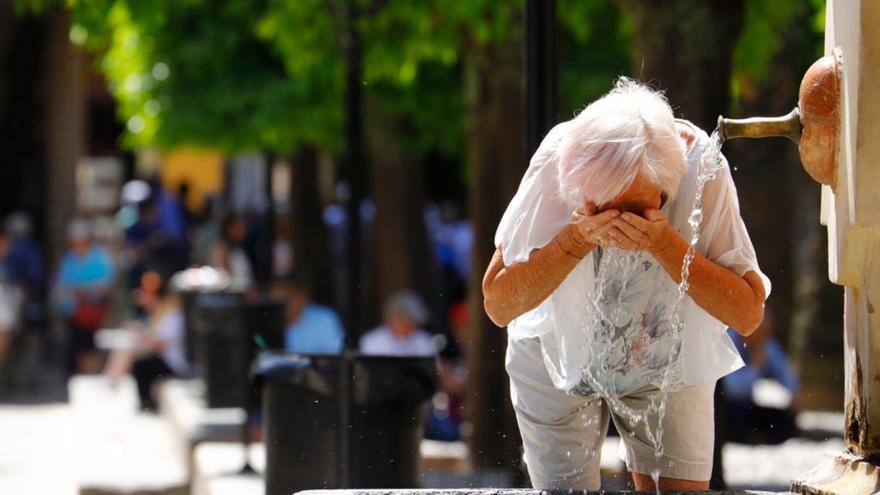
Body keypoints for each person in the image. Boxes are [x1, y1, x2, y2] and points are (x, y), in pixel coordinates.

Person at [482, 78, 770, 491]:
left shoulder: (702, 169)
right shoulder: (559, 159)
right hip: (556, 352)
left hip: (668, 351)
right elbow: (498, 303)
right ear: (578, 181)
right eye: (600, 206)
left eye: (634, 209)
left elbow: (747, 313)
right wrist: (576, 238)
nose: (617, 223)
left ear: (668, 188)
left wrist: (664, 244)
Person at [104, 271, 188, 411]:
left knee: (140, 363)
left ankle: (145, 402)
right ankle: (110, 381)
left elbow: (158, 344)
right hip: (164, 357)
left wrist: (139, 340)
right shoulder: (159, 311)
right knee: (129, 349)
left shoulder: (171, 313)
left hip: (174, 363)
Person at [723, 311, 801, 444]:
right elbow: (733, 389)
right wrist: (755, 367)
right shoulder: (728, 343)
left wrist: (794, 395)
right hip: (730, 407)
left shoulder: (765, 344)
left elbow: (785, 373)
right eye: (762, 332)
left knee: (785, 420)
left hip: (752, 405)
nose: (765, 337)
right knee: (738, 412)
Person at [54, 219, 116, 375]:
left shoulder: (100, 257)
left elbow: (106, 285)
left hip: (93, 313)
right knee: (74, 346)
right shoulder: (70, 258)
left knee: (89, 348)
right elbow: (61, 283)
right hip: (72, 312)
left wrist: (86, 291)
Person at [275, 277, 344, 355]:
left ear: (302, 295)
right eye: (276, 298)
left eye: (289, 296)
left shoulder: (324, 318)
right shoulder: (268, 322)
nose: (283, 303)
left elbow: (331, 357)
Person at [359, 290, 436, 357]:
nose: (413, 327)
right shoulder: (372, 340)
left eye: (414, 324)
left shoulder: (424, 340)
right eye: (408, 322)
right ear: (394, 319)